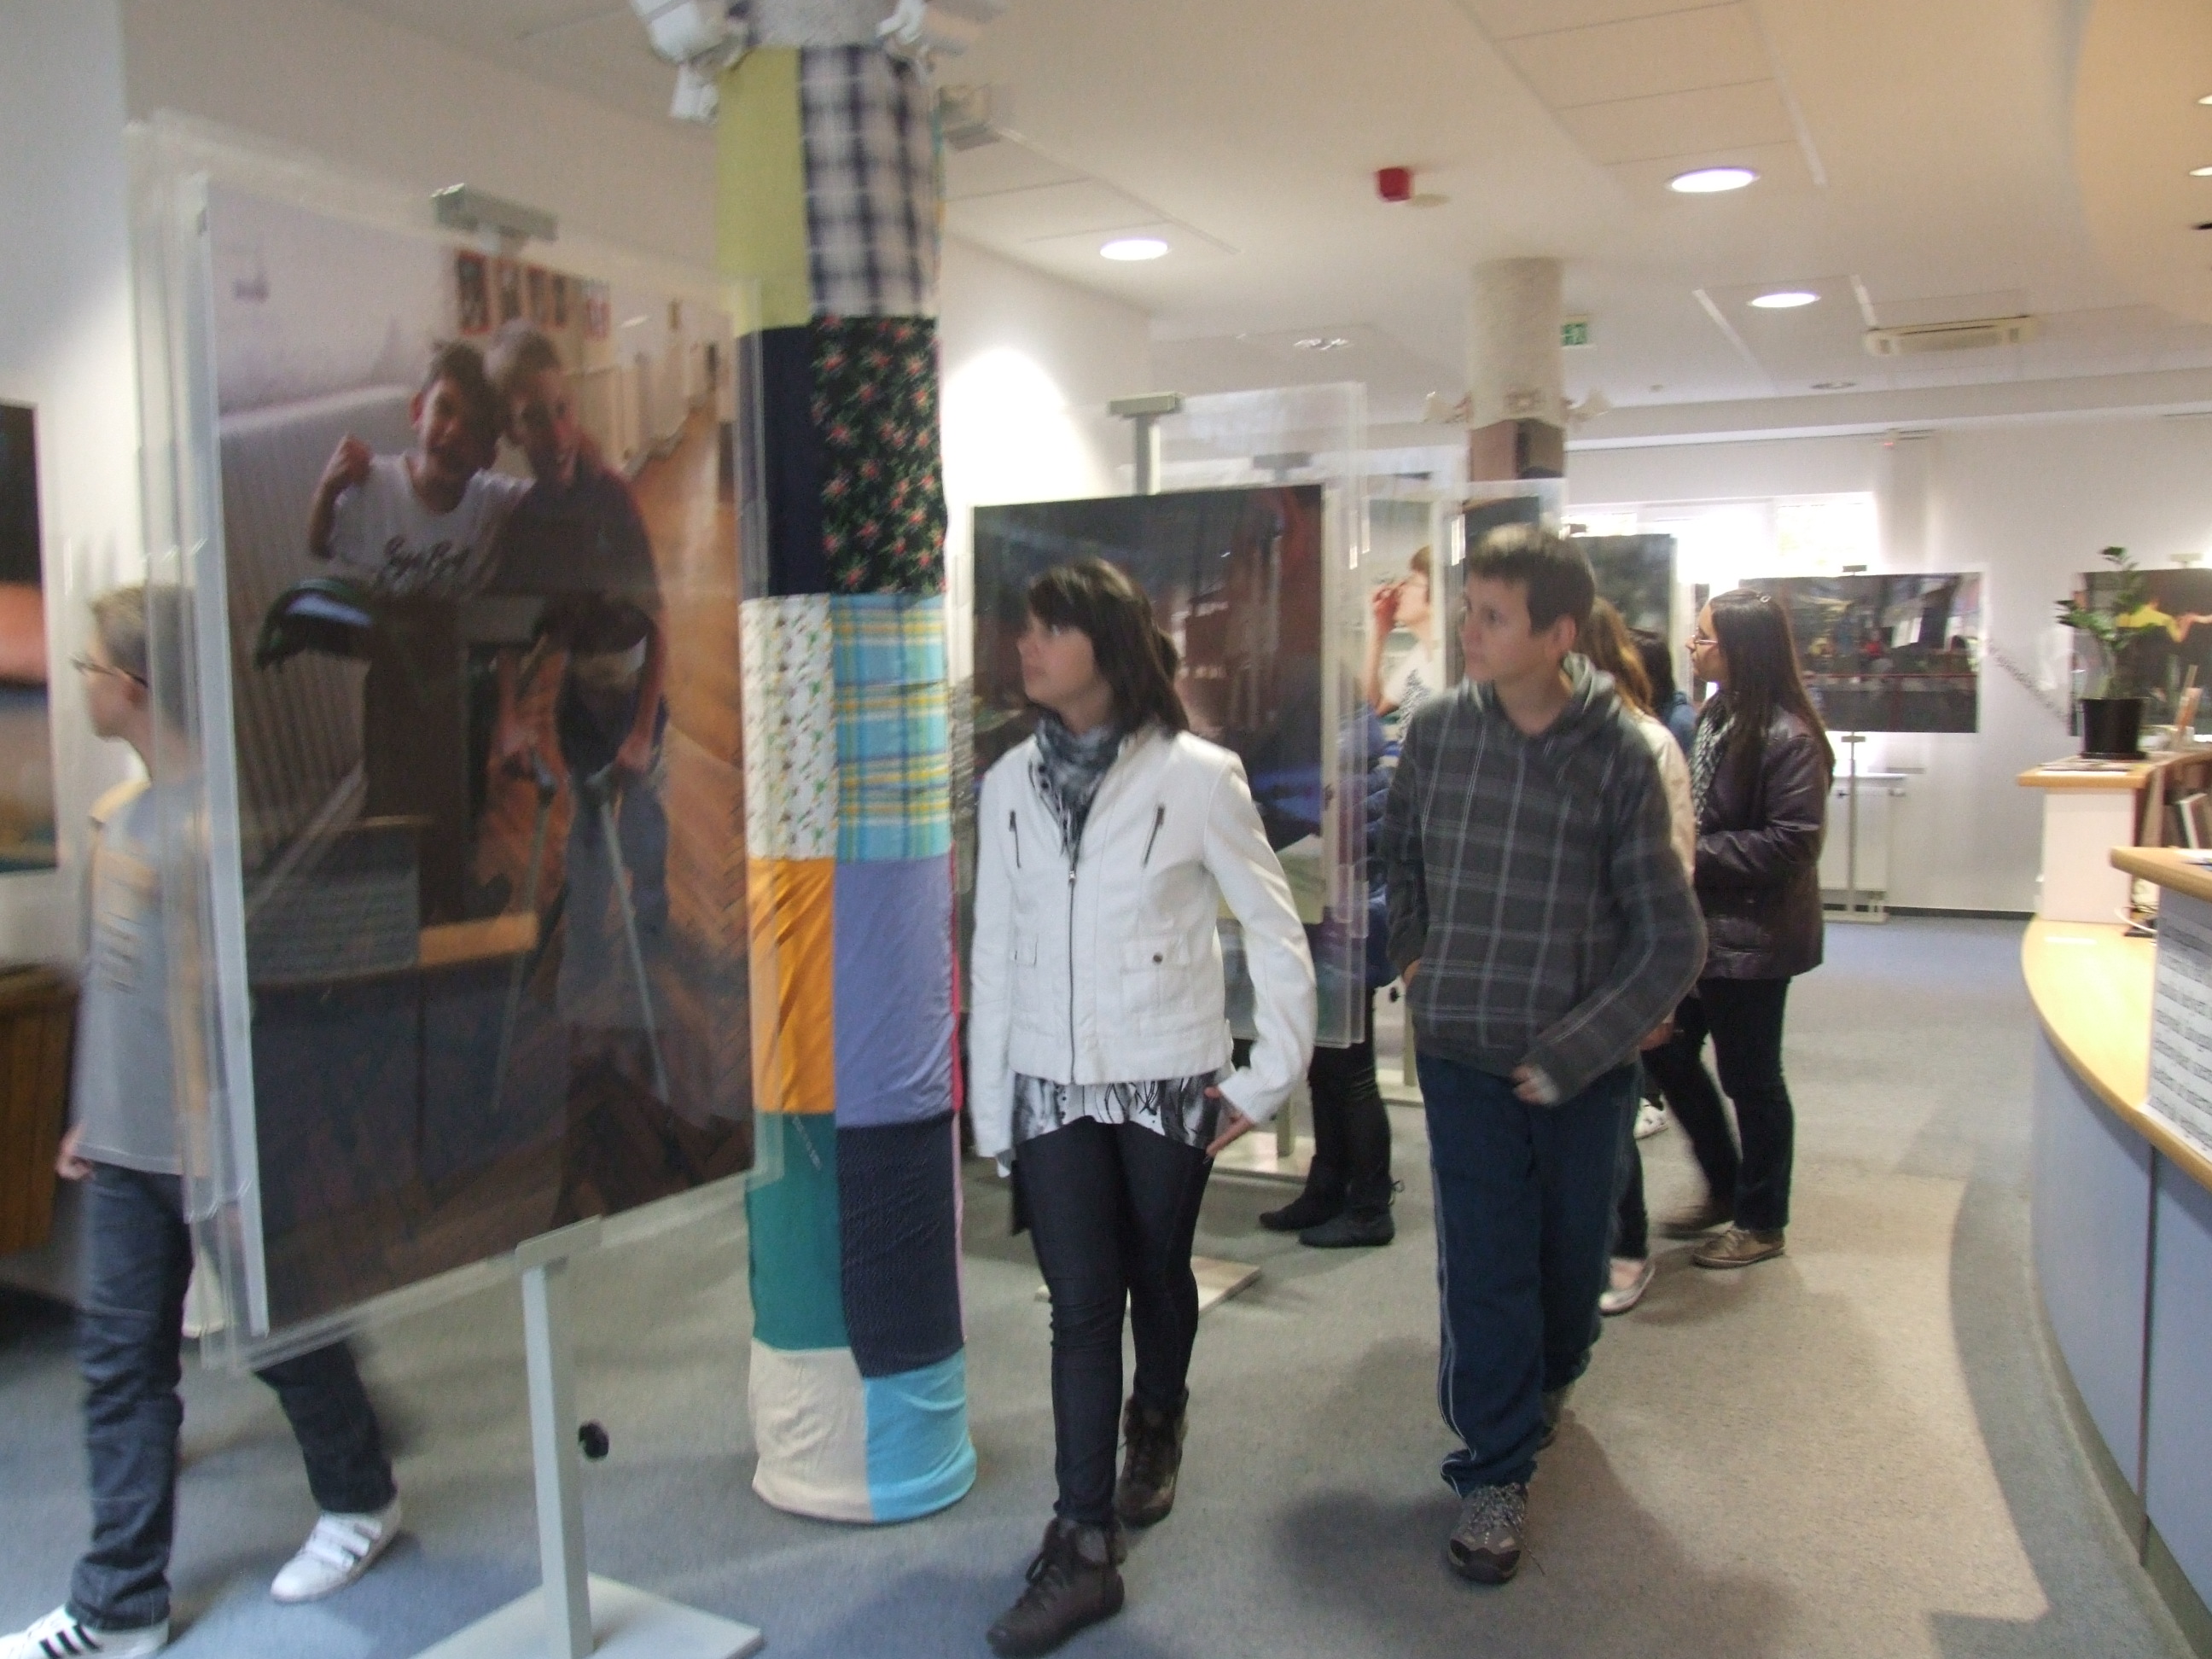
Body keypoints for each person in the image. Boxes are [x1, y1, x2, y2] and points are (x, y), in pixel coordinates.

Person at [2, 587, 400, 1659]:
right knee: (121, 1364)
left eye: (89, 668)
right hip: (126, 1151)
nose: (80, 684)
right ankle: (119, 1605)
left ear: (133, 688)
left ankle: (360, 1496)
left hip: (212, 1146)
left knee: (283, 1337)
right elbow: (117, 984)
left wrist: (220, 1144)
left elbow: (228, 1008)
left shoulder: (216, 828)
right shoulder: (118, 817)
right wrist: (92, 1116)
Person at [969, 559, 1315, 1656]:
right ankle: (1082, 1543)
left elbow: (1274, 928)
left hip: (1167, 1075)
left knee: (1156, 1273)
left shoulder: (1198, 777)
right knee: (1081, 1303)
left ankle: (1156, 1417)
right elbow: (992, 948)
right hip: (1052, 1081)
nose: (1026, 647)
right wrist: (992, 1108)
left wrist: (1267, 1078)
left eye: (1050, 630)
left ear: (1108, 648)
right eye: (1025, 629)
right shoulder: (1007, 783)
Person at [1380, 527, 1703, 1586]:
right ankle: (1493, 1471)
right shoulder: (1437, 733)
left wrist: (1578, 1050)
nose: (1467, 631)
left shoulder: (1619, 756)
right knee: (1484, 1272)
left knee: (1568, 1269)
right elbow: (1400, 855)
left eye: (1492, 616)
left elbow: (1673, 940)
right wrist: (1417, 958)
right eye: (1467, 609)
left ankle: (1553, 1374)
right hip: (1461, 1055)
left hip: (1582, 1073)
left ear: (1559, 634)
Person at [483, 323, 679, 1222]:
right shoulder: (528, 522)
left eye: (564, 411)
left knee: (642, 818)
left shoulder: (612, 501)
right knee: (587, 829)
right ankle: (596, 955)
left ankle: (653, 909)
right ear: (515, 431)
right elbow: (509, 631)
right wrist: (506, 716)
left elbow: (661, 622)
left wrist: (642, 732)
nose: (555, 431)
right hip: (580, 700)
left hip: (635, 690)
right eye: (535, 419)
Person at [1647, 589, 1832, 1269]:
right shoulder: (1719, 716)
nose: (1692, 649)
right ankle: (1725, 1182)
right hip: (1705, 932)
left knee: (1752, 1079)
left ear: (1741, 650)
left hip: (1753, 938)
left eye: (1704, 639)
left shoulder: (1789, 736)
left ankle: (1761, 1219)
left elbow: (1792, 843)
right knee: (1664, 1053)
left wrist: (1691, 852)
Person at [1578, 602, 1695, 1317]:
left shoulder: (1648, 743)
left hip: (1617, 969)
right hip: (1548, 970)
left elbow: (1673, 873)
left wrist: (1659, 992)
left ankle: (1626, 1249)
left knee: (1610, 1121)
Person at [1259, 705, 1396, 1248]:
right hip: (1336, 919)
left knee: (1350, 1070)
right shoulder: (1344, 742)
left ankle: (1369, 1205)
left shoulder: (1334, 753)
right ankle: (1328, 1186)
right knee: (1327, 1064)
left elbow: (1313, 828)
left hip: (1346, 924)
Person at [306, 340, 524, 598]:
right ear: (418, 412)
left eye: (473, 426)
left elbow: (558, 493)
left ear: (489, 456)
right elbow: (319, 547)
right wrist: (328, 490)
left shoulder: (494, 501)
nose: (454, 432)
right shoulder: (373, 484)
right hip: (368, 622)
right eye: (444, 409)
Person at [1361, 544, 1438, 732]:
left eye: (1411, 581)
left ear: (1437, 596)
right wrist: (1379, 632)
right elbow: (1372, 708)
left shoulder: (1453, 663)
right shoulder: (1421, 654)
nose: (1398, 588)